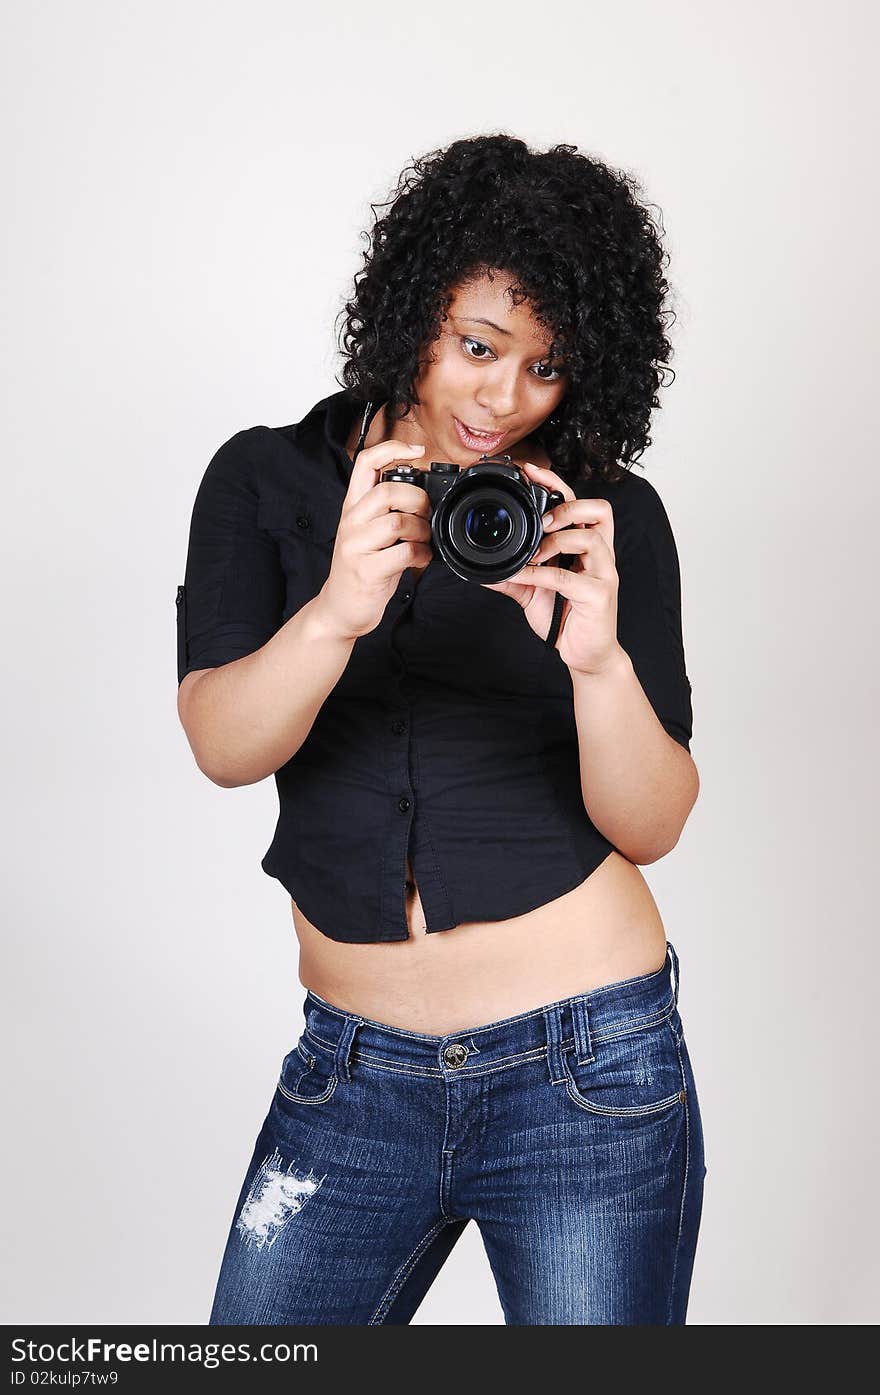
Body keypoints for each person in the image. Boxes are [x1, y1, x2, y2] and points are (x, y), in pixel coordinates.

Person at [176, 133, 706, 1325]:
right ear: (412, 312)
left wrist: (596, 660)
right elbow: (222, 744)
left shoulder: (599, 520)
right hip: (349, 1074)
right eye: (477, 346)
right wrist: (334, 612)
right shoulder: (264, 481)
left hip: (587, 1068)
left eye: (544, 367)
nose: (502, 398)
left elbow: (655, 820)